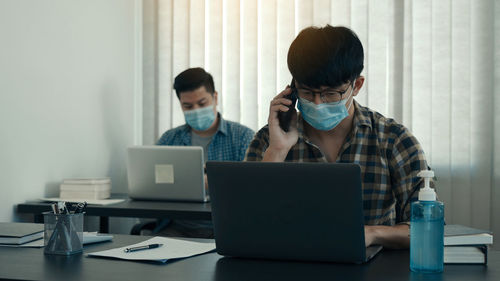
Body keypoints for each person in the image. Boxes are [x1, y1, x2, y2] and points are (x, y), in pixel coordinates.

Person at [245, 25, 429, 249]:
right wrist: (277, 151)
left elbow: (428, 228)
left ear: (356, 85)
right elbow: (246, 224)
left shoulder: (393, 140)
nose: (318, 103)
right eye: (307, 92)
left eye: (330, 93)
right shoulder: (268, 140)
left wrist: (371, 234)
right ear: (292, 89)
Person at [154, 67, 254, 238]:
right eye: (188, 106)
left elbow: (253, 188)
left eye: (202, 103)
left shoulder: (243, 137)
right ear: (180, 105)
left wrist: (211, 183)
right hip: (179, 228)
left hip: (229, 228)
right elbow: (155, 185)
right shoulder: (169, 139)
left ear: (215, 97)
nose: (196, 110)